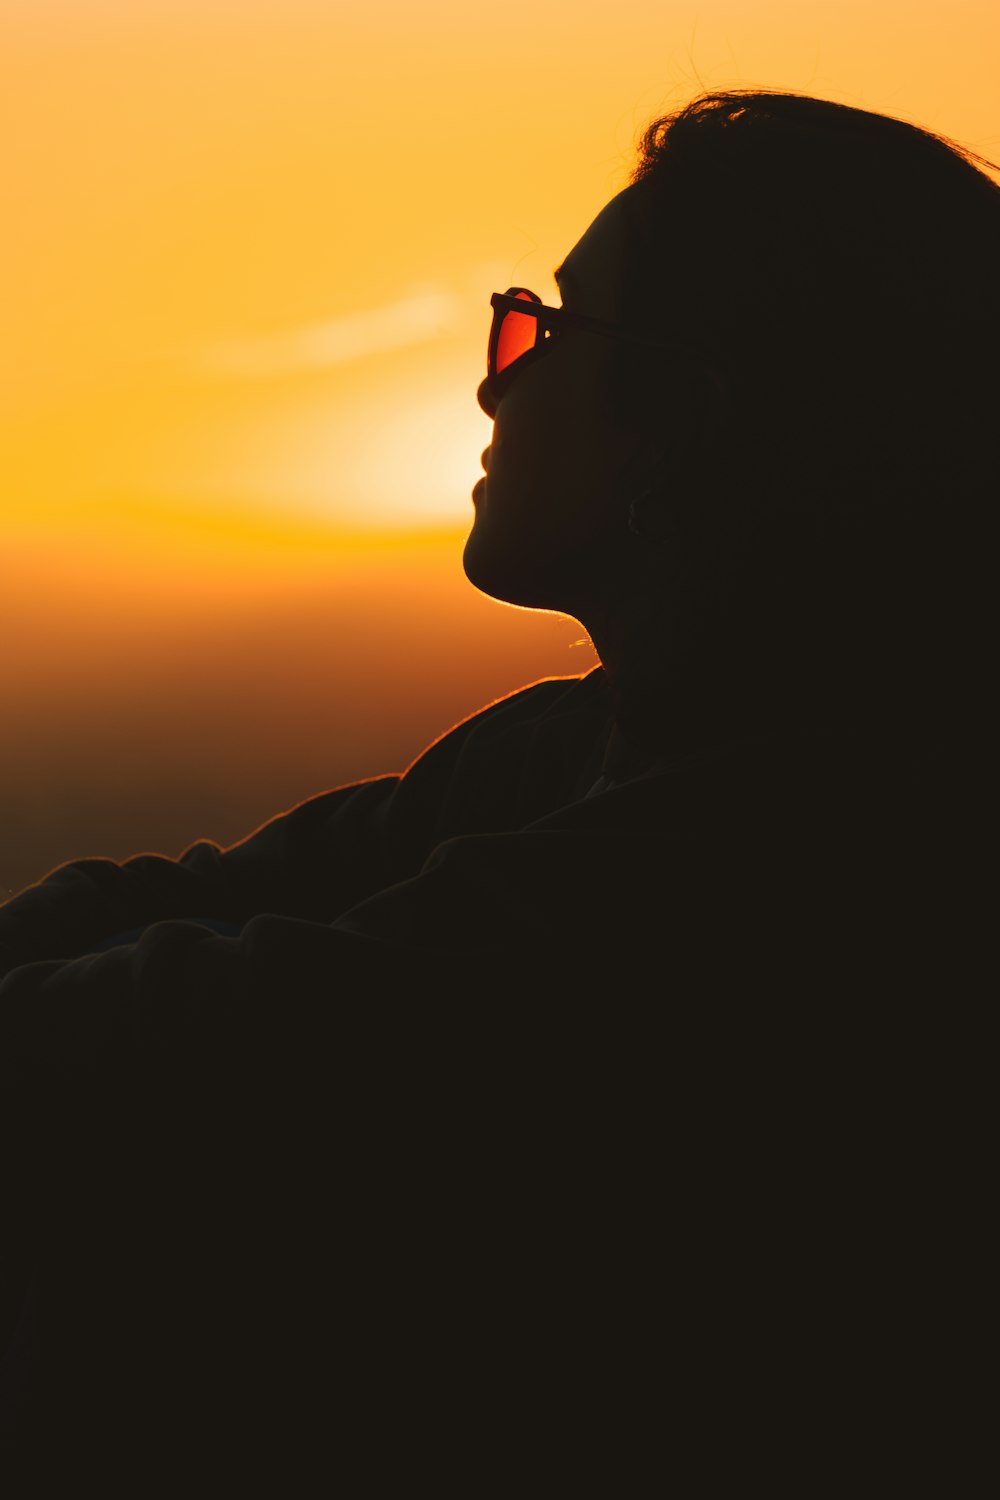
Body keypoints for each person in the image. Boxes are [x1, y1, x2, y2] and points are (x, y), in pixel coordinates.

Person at [1, 89, 996, 1478]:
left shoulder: (787, 847)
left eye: (551, 329)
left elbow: (184, 1045)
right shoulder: (571, 748)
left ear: (687, 416)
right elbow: (188, 903)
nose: (494, 374)